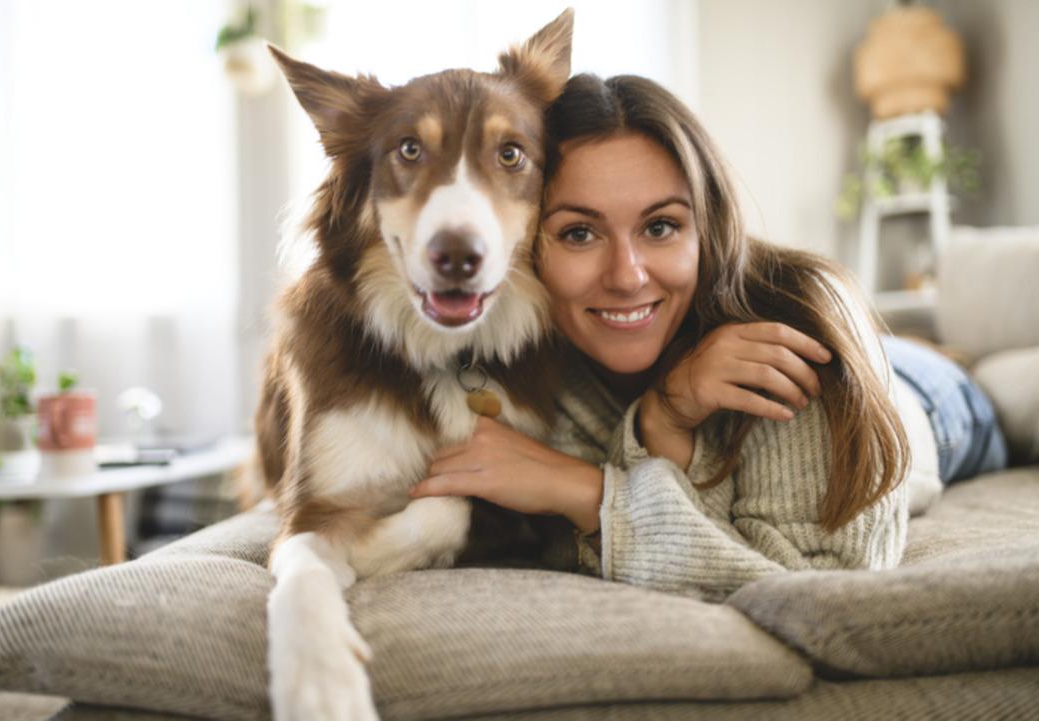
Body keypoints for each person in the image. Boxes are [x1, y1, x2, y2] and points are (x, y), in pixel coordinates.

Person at [408, 74, 1007, 601]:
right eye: (579, 235)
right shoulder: (511, 360)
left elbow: (823, 584)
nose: (627, 276)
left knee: (1007, 393)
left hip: (927, 404)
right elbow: (569, 547)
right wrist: (664, 421)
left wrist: (589, 493)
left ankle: (972, 365)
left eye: (661, 226)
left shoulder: (796, 319)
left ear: (707, 226)